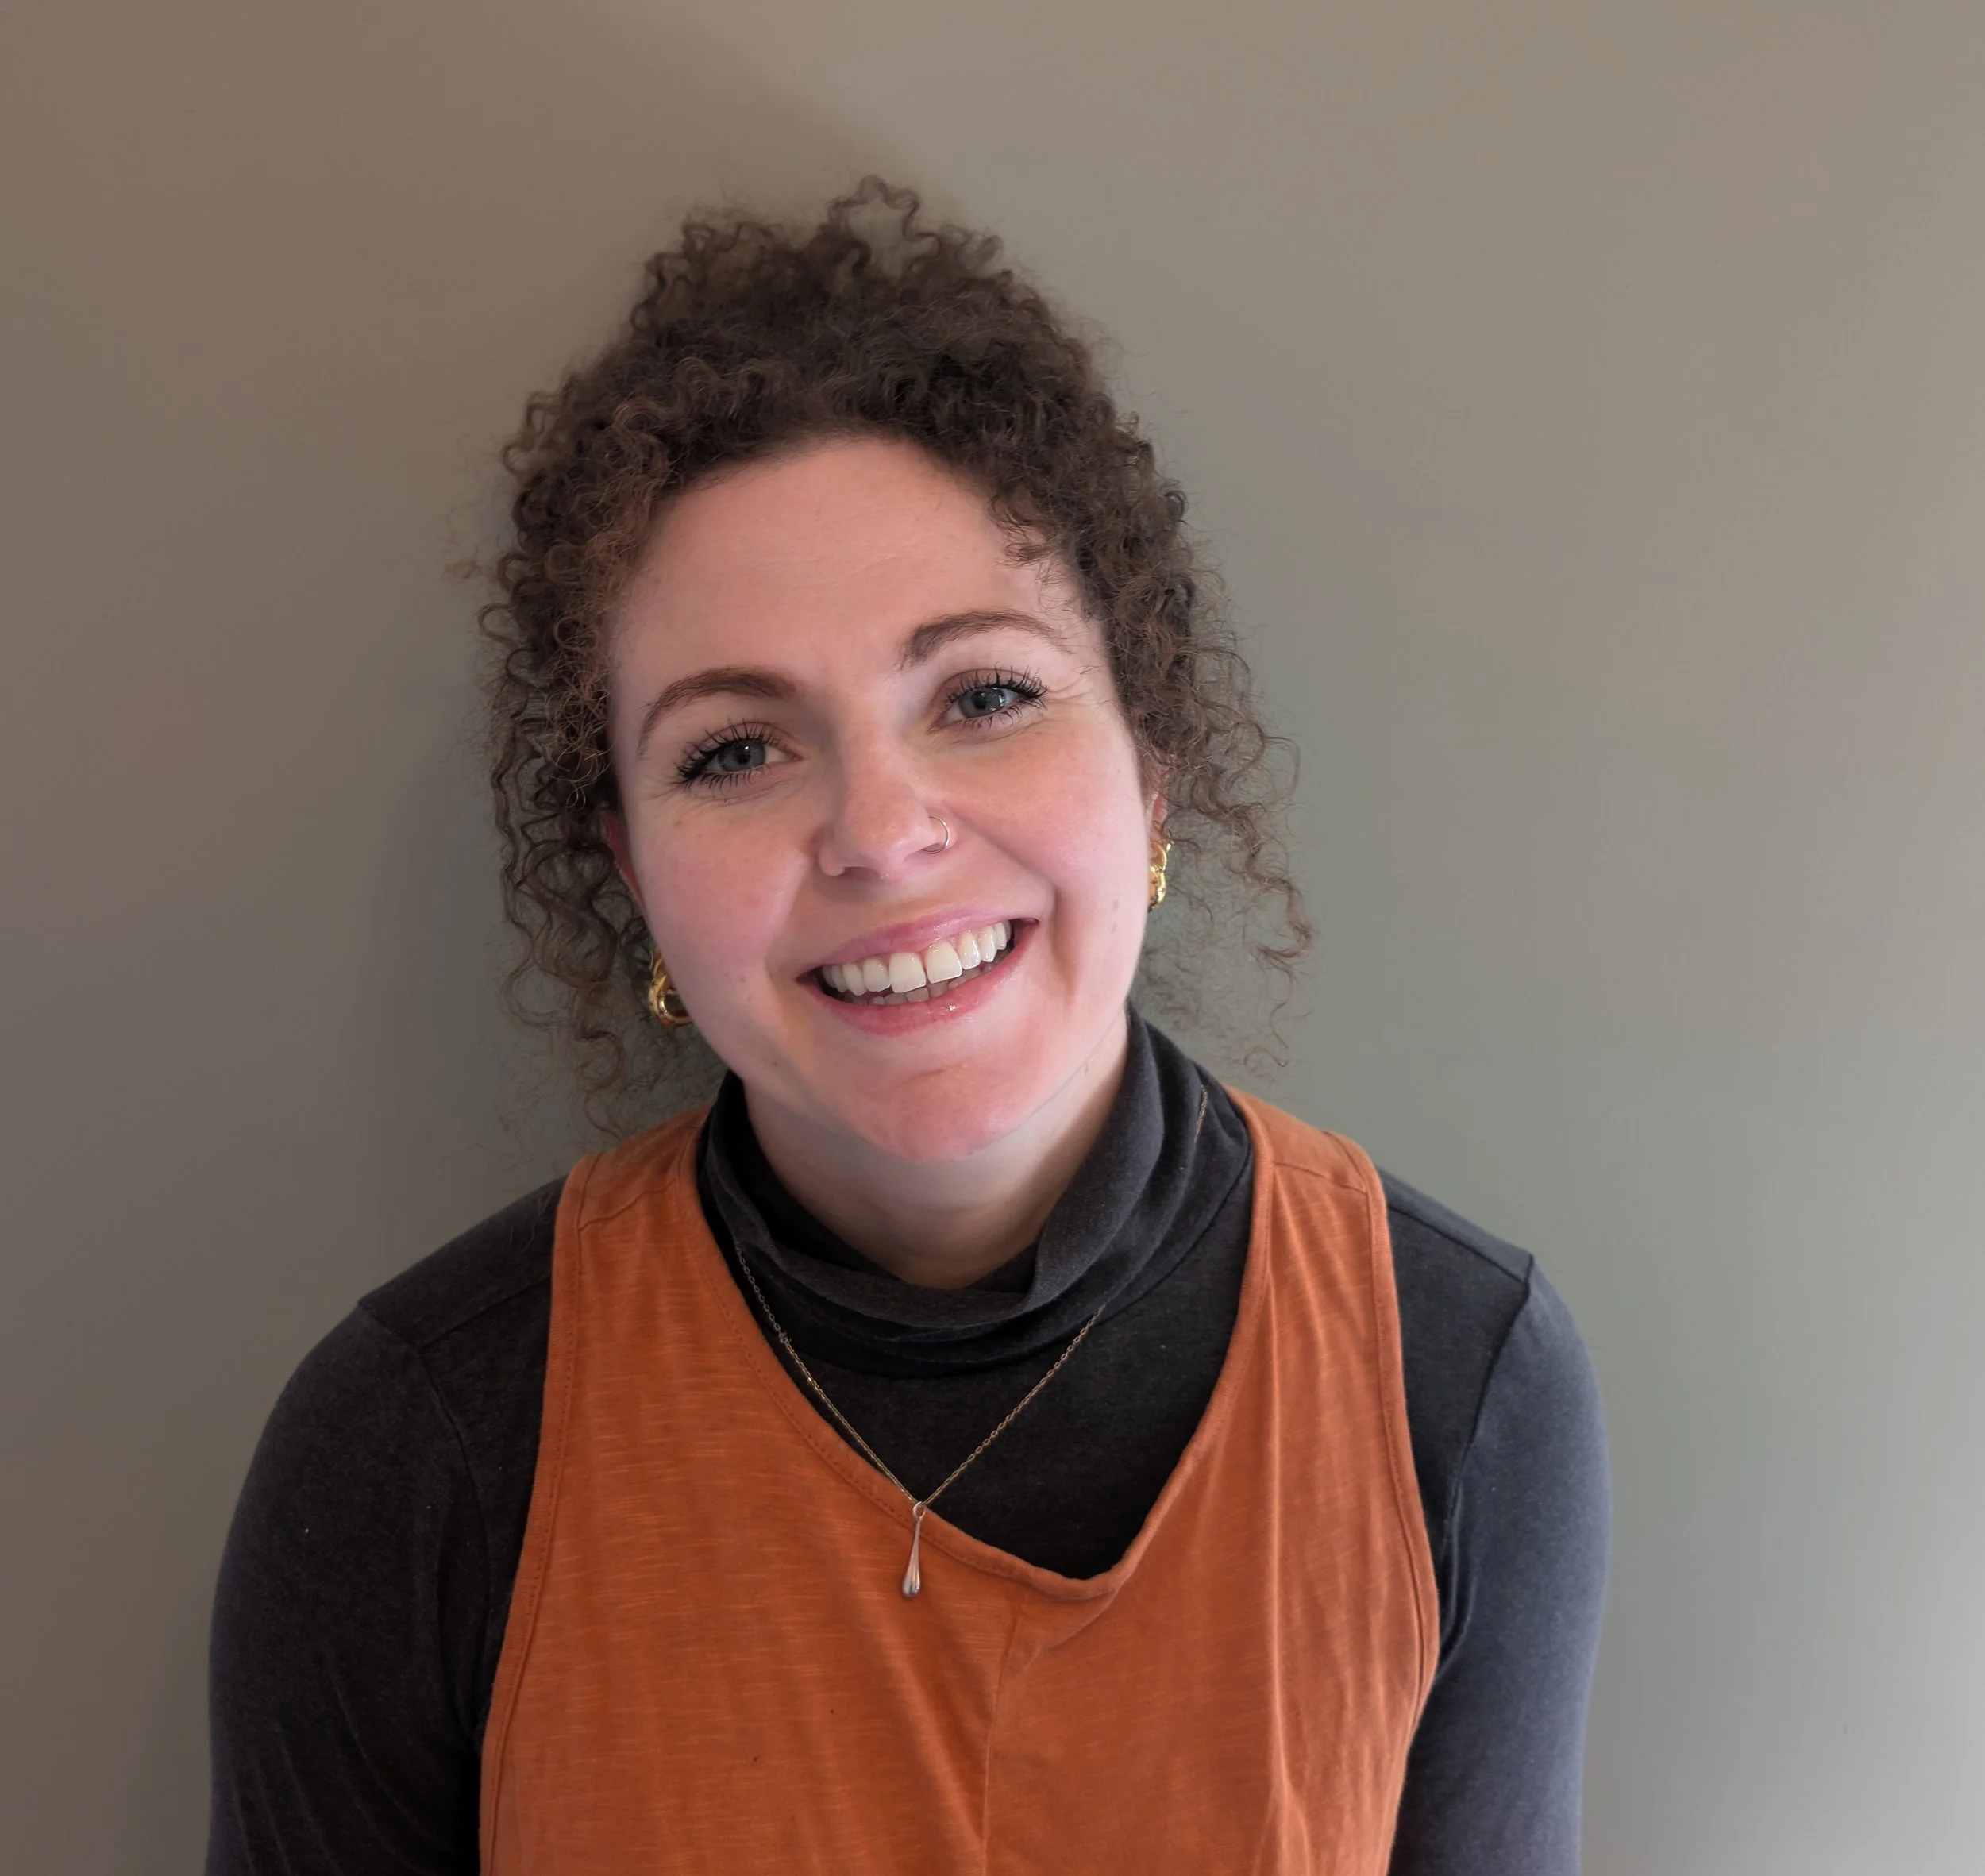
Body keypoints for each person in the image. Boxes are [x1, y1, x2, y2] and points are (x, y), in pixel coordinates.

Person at [206, 182, 1609, 1874]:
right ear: (631, 869)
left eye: (983, 694)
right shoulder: (416, 1442)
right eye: (734, 748)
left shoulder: (1451, 1378)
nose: (879, 833)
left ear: (1149, 762)